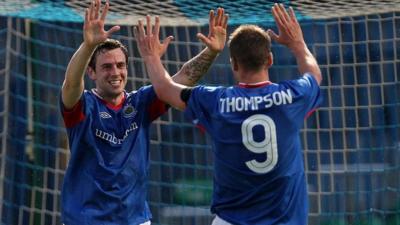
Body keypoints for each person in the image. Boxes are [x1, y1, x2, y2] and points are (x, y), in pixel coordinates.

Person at [135, 3, 322, 225]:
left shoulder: (216, 101)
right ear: (270, 60)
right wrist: (297, 43)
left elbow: (164, 90)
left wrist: (151, 56)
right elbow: (313, 75)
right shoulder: (292, 96)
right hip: (285, 220)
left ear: (233, 63)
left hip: (231, 220)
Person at [59, 0, 228, 224]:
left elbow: (184, 78)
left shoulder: (140, 103)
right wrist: (88, 46)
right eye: (107, 66)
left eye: (120, 65)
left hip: (136, 220)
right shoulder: (83, 105)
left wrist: (212, 51)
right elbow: (71, 84)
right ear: (91, 72)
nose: (115, 72)